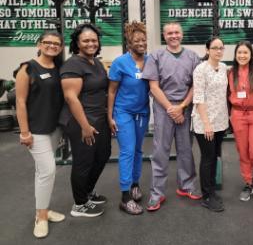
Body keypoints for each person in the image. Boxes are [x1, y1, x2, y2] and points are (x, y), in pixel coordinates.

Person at [142, 22, 201, 212]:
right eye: (169, 33)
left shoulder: (192, 57)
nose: (173, 36)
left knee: (185, 149)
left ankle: (187, 185)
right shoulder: (156, 56)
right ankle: (156, 194)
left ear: (181, 34)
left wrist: (182, 106)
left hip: (185, 106)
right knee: (160, 151)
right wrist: (171, 109)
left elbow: (195, 85)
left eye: (176, 32)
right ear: (164, 35)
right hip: (163, 108)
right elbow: (153, 86)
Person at [15, 31, 66, 238]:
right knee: (48, 171)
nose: (52, 46)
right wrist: (24, 132)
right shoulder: (27, 68)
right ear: (39, 43)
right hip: (35, 131)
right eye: (48, 42)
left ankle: (43, 209)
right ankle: (41, 217)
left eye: (56, 44)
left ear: (61, 48)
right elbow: (20, 102)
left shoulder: (58, 68)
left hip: (54, 128)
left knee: (42, 172)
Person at [60, 23, 111, 217]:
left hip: (99, 118)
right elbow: (70, 97)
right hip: (82, 120)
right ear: (77, 43)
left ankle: (87, 191)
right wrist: (84, 126)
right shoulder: (73, 64)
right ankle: (79, 204)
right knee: (84, 161)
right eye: (86, 40)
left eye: (94, 40)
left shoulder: (95, 62)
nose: (91, 43)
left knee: (103, 154)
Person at [108, 21, 150, 215]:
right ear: (129, 42)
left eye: (143, 39)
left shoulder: (150, 60)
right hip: (123, 112)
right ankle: (125, 197)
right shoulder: (120, 62)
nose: (141, 43)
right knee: (127, 151)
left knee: (138, 150)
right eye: (137, 40)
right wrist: (110, 117)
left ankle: (135, 184)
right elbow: (112, 91)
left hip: (142, 112)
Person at [192, 36, 229, 212]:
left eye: (221, 48)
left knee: (215, 157)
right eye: (215, 48)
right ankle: (206, 196)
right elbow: (198, 98)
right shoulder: (200, 69)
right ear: (207, 50)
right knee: (207, 158)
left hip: (221, 121)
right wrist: (207, 124)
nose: (219, 51)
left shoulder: (223, 67)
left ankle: (212, 190)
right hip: (204, 122)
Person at [228, 40, 253, 202]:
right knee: (243, 151)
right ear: (235, 55)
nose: (242, 55)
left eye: (245, 53)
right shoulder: (230, 73)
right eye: (239, 53)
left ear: (251, 55)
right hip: (238, 115)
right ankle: (248, 182)